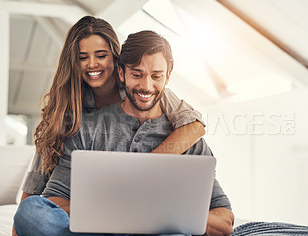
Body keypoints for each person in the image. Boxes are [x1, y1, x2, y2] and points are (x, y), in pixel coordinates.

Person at [13, 30, 234, 236]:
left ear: (168, 76)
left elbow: (225, 221)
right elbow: (53, 200)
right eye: (137, 74)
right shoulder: (86, 127)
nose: (146, 86)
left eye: (156, 76)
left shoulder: (187, 137)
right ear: (122, 72)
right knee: (29, 212)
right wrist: (106, 207)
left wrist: (172, 213)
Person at [14, 16, 206, 213]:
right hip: (84, 200)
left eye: (101, 55)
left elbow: (195, 126)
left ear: (115, 58)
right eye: (82, 57)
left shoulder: (140, 89)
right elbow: (43, 165)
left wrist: (148, 167)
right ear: (73, 62)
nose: (92, 64)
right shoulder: (66, 107)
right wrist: (26, 215)